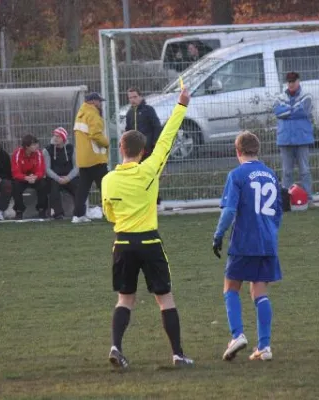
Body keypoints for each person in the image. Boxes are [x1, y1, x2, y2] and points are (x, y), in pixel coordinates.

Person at [101, 88, 194, 369]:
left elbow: (109, 214)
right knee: (165, 298)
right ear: (143, 152)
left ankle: (116, 347)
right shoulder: (150, 168)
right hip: (150, 243)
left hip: (123, 243)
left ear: (121, 148)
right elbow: (166, 138)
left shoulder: (108, 180)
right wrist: (181, 105)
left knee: (125, 299)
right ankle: (178, 354)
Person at [212, 131, 283, 362]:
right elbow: (279, 213)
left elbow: (229, 211)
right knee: (259, 291)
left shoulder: (237, 175)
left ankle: (237, 335)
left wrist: (218, 235)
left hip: (245, 241)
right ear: (258, 150)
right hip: (268, 242)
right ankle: (264, 347)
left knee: (231, 287)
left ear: (237, 151)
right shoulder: (271, 175)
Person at [274, 71, 314, 203]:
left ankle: (308, 199)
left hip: (302, 139)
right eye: (289, 81)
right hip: (285, 140)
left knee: (305, 171)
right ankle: (286, 201)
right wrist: (293, 110)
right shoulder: (280, 97)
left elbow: (304, 110)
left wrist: (287, 111)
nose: (291, 84)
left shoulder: (306, 96)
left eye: (293, 81)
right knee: (287, 172)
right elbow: (278, 112)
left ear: (298, 81)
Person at [72, 92, 109, 224]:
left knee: (83, 188)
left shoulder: (80, 113)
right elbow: (96, 135)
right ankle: (112, 213)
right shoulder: (93, 114)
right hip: (95, 157)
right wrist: (106, 143)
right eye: (99, 101)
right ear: (93, 102)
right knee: (106, 186)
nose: (100, 104)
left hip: (83, 158)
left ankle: (78, 215)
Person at [125, 87, 164, 207]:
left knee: (150, 176)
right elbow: (128, 130)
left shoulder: (148, 110)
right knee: (136, 176)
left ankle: (156, 202)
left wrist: (153, 144)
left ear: (140, 97)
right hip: (135, 152)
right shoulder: (130, 113)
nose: (133, 100)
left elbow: (157, 127)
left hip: (147, 150)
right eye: (130, 97)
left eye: (135, 97)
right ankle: (141, 201)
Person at [42, 127, 79, 219]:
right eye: (54, 136)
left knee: (78, 187)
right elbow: (47, 169)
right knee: (53, 187)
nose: (55, 138)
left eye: (58, 136)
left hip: (69, 177)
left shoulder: (71, 148)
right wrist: (58, 178)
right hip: (54, 178)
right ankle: (58, 214)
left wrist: (68, 178)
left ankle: (79, 212)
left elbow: (76, 167)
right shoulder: (47, 150)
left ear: (64, 138)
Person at [11, 134, 47, 220]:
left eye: (36, 144)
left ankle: (41, 209)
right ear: (27, 146)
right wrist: (26, 178)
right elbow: (15, 172)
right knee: (15, 185)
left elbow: (41, 170)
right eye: (34, 144)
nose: (36, 146)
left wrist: (34, 177)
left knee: (43, 184)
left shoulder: (38, 153)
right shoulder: (17, 153)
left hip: (34, 178)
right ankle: (19, 210)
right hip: (22, 179)